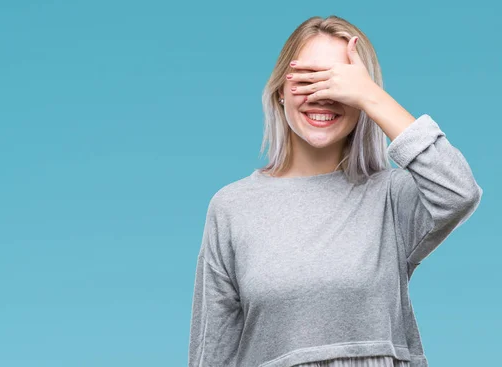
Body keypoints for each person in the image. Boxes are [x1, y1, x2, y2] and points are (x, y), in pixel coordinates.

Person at [187, 15, 483, 367]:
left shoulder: (390, 197)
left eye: (340, 82)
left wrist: (372, 96)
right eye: (308, 78)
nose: (323, 94)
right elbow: (213, 353)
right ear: (281, 91)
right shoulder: (232, 208)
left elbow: (459, 192)